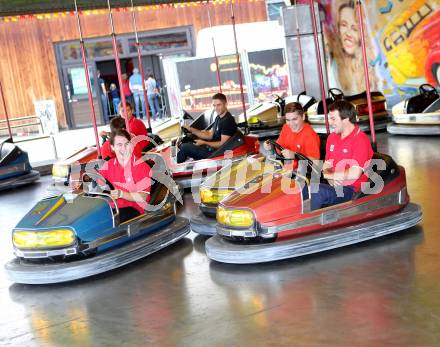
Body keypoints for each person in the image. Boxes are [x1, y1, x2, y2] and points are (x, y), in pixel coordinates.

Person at [310, 100, 373, 210]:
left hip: (352, 190)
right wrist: (330, 178)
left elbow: (355, 173)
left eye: (333, 119)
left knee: (317, 190)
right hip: (334, 184)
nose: (330, 122)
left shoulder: (360, 140)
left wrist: (329, 176)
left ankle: (310, 225)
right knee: (303, 187)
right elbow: (327, 165)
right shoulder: (332, 137)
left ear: (346, 119)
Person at [99, 129, 152, 223]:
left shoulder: (142, 166)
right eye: (119, 145)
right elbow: (98, 188)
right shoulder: (107, 166)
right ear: (112, 147)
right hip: (111, 207)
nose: (123, 148)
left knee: (107, 223)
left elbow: (142, 197)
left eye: (126, 144)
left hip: (134, 209)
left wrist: (121, 194)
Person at [328, 0, 378, 94]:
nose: (348, 33)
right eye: (343, 25)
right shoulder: (332, 67)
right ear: (338, 29)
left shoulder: (371, 65)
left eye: (354, 28)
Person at [177, 93, 237, 163]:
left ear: (225, 104)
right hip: (211, 149)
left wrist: (204, 143)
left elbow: (222, 145)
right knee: (185, 144)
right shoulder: (218, 117)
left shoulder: (228, 121)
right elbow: (209, 135)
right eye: (214, 105)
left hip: (217, 155)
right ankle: (179, 166)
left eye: (219, 105)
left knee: (185, 147)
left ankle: (176, 167)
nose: (216, 108)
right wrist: (191, 129)